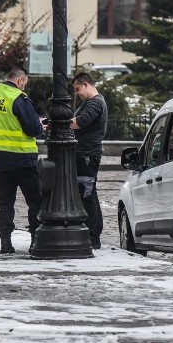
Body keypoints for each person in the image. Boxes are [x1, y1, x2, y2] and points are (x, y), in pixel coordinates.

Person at [0, 68, 43, 254]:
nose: (24, 86)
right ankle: (35, 241)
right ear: (19, 80)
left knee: (5, 203)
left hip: (2, 159)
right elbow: (33, 128)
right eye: (24, 83)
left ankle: (5, 243)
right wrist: (40, 125)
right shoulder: (19, 97)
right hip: (23, 157)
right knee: (35, 202)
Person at [71, 72, 108, 249]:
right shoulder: (92, 102)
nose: (77, 93)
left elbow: (81, 122)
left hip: (87, 155)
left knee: (86, 195)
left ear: (85, 84)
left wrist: (59, 123)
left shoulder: (95, 103)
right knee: (89, 193)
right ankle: (93, 234)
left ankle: (93, 235)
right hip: (86, 154)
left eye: (78, 89)